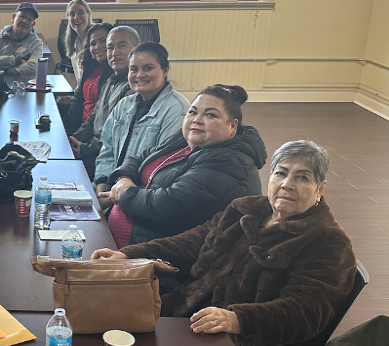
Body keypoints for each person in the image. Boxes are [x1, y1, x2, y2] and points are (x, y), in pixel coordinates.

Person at [93, 141, 357, 346]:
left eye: (302, 177)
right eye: (281, 173)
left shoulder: (327, 242)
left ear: (320, 188)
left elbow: (306, 312)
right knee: (103, 326)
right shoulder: (246, 208)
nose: (287, 184)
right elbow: (192, 242)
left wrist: (237, 319)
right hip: (187, 315)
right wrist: (130, 255)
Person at [102, 84, 266, 247]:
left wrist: (124, 194)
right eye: (193, 112)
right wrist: (124, 178)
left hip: (155, 255)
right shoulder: (186, 140)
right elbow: (141, 157)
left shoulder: (230, 163)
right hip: (124, 237)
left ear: (232, 126)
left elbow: (166, 207)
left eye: (210, 115)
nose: (197, 120)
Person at [94, 42, 190, 204]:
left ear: (165, 70)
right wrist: (101, 185)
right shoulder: (124, 105)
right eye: (134, 69)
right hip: (112, 189)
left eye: (147, 68)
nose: (139, 75)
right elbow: (107, 150)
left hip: (142, 198)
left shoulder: (177, 111)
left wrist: (116, 197)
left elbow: (160, 169)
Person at [69, 25, 140, 177]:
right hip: (93, 148)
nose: (115, 53)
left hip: (106, 159)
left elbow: (114, 137)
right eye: (110, 48)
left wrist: (84, 149)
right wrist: (74, 138)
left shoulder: (132, 88)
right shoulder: (110, 81)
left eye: (122, 46)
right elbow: (93, 118)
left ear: (136, 49)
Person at [62, 22, 113, 135]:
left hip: (94, 134)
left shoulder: (115, 73)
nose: (97, 47)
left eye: (103, 41)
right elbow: (78, 100)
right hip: (79, 127)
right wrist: (64, 129)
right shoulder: (91, 66)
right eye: (93, 43)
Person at [0, 2, 44, 76]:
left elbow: (33, 68)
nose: (25, 21)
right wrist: (18, 61)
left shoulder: (37, 43)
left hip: (22, 84)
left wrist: (4, 69)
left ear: (32, 25)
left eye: (29, 19)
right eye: (22, 17)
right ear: (13, 18)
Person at [61, 0, 93, 78]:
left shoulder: (96, 40)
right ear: (68, 19)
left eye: (80, 13)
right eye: (72, 14)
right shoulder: (75, 43)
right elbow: (80, 79)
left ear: (88, 14)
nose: (76, 17)